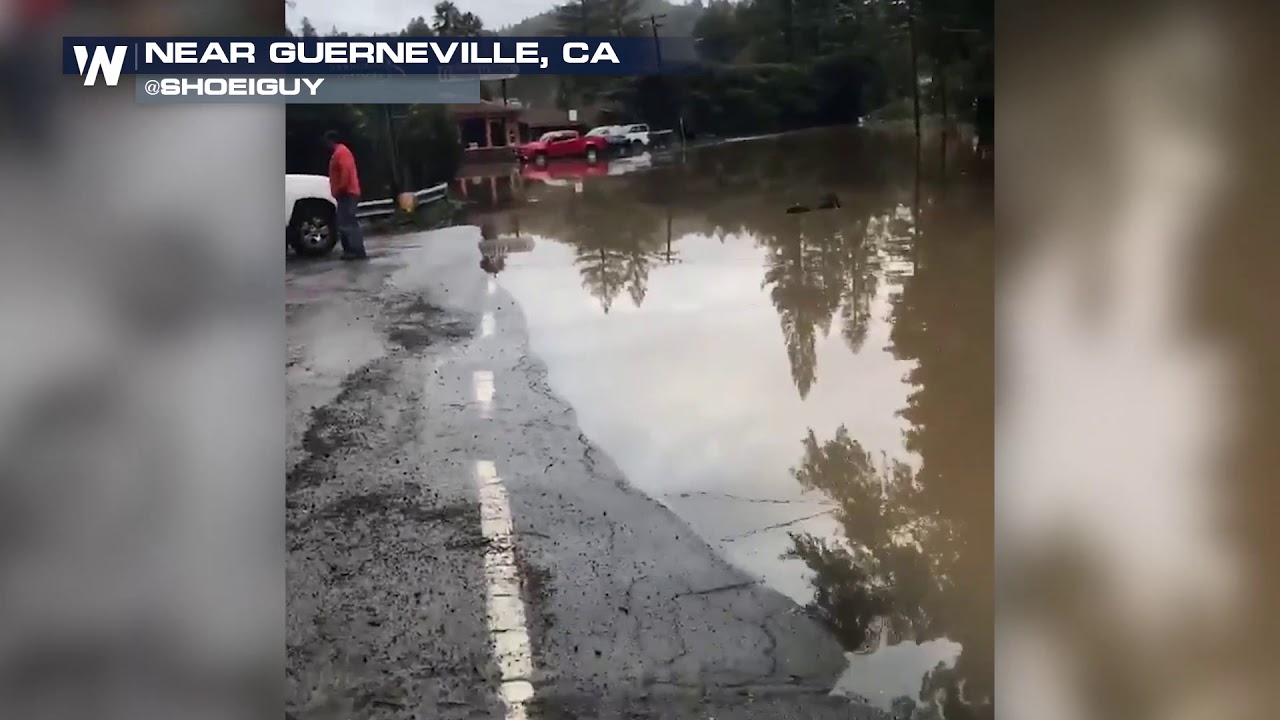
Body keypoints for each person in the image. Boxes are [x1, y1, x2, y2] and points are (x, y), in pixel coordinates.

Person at [323, 130, 366, 260]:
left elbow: (345, 171)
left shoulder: (341, 153)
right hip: (346, 192)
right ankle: (350, 250)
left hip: (347, 192)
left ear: (331, 140)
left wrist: (341, 187)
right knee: (345, 222)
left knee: (348, 222)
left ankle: (356, 250)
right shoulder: (340, 152)